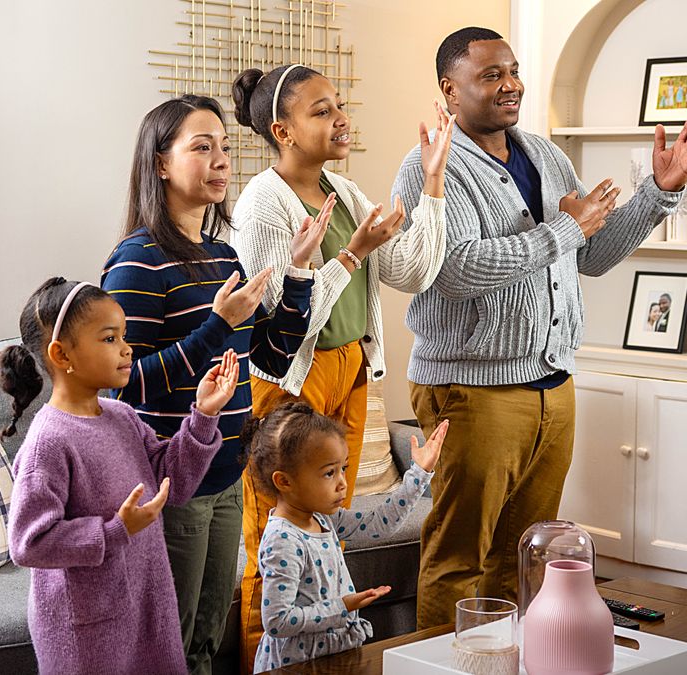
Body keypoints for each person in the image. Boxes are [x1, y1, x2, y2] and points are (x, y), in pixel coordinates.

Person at [393, 26, 687, 628]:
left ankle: (512, 663)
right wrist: (566, 230)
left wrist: (659, 192)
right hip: (473, 391)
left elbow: (588, 254)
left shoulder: (544, 153)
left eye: (512, 70)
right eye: (491, 75)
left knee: (525, 557)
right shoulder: (428, 166)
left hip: (552, 386)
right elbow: (456, 269)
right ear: (449, 89)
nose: (511, 84)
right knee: (461, 559)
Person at [229, 64, 456, 668]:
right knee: (269, 538)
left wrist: (433, 183)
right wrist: (353, 253)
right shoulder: (261, 204)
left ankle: (330, 657)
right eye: (322, 110)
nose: (340, 118)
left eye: (339, 105)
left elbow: (414, 272)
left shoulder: (344, 192)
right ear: (282, 129)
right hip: (290, 382)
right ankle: (272, 663)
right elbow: (282, 321)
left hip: (349, 369)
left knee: (331, 515)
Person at [100, 95, 326, 674]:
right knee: (167, 647)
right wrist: (216, 327)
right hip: (172, 484)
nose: (221, 160)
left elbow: (271, 356)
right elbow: (121, 386)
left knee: (206, 641)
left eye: (224, 147)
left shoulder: (225, 256)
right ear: (159, 164)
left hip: (228, 476)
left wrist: (299, 273)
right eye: (202, 147)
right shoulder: (137, 261)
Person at [1, 277, 240, 674]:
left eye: (123, 336)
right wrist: (115, 529)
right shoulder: (49, 441)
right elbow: (29, 542)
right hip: (87, 633)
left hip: (147, 608)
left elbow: (172, 485)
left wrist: (204, 415)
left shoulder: (122, 416)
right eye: (109, 338)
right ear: (62, 355)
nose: (127, 349)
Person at [243, 403, 449, 671]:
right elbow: (278, 621)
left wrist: (418, 473)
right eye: (329, 473)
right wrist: (340, 607)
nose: (343, 483)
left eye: (343, 469)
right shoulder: (283, 541)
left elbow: (379, 524)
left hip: (335, 655)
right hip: (299, 666)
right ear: (284, 482)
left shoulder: (322, 518)